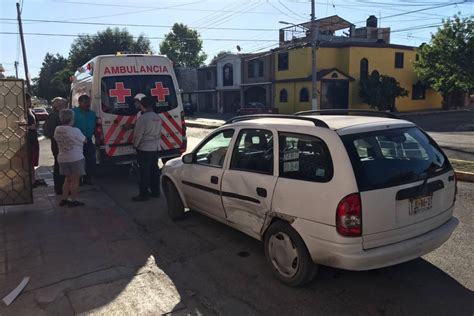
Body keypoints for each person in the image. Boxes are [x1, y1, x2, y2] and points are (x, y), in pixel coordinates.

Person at [54, 109, 87, 207]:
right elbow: (84, 140)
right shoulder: (75, 130)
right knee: (75, 180)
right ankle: (73, 200)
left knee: (67, 179)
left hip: (62, 158)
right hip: (75, 158)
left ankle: (64, 199)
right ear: (72, 118)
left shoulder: (57, 129)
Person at [132, 95, 162, 202]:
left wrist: (135, 145)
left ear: (142, 105)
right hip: (155, 148)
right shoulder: (157, 117)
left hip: (144, 149)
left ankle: (143, 194)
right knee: (154, 170)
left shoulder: (143, 118)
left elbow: (138, 135)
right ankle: (156, 191)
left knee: (144, 172)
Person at [20, 93, 45, 188]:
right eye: (28, 101)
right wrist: (29, 127)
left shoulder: (31, 111)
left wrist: (36, 126)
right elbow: (17, 126)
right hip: (26, 140)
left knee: (33, 161)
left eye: (30, 100)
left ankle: (33, 180)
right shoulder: (20, 112)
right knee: (28, 161)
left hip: (34, 139)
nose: (30, 102)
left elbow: (37, 123)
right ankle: (29, 181)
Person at [43, 97, 67, 194]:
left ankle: (62, 187)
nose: (66, 107)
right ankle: (60, 188)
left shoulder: (58, 115)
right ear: (58, 107)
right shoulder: (54, 116)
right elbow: (49, 132)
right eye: (64, 105)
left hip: (60, 144)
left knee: (61, 165)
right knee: (59, 166)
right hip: (58, 145)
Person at [73, 95, 96, 185]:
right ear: (80, 102)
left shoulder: (92, 114)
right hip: (77, 141)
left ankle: (88, 178)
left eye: (88, 102)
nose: (87, 104)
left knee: (91, 160)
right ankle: (78, 179)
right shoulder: (74, 112)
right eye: (85, 102)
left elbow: (95, 127)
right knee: (78, 161)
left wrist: (97, 138)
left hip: (88, 140)